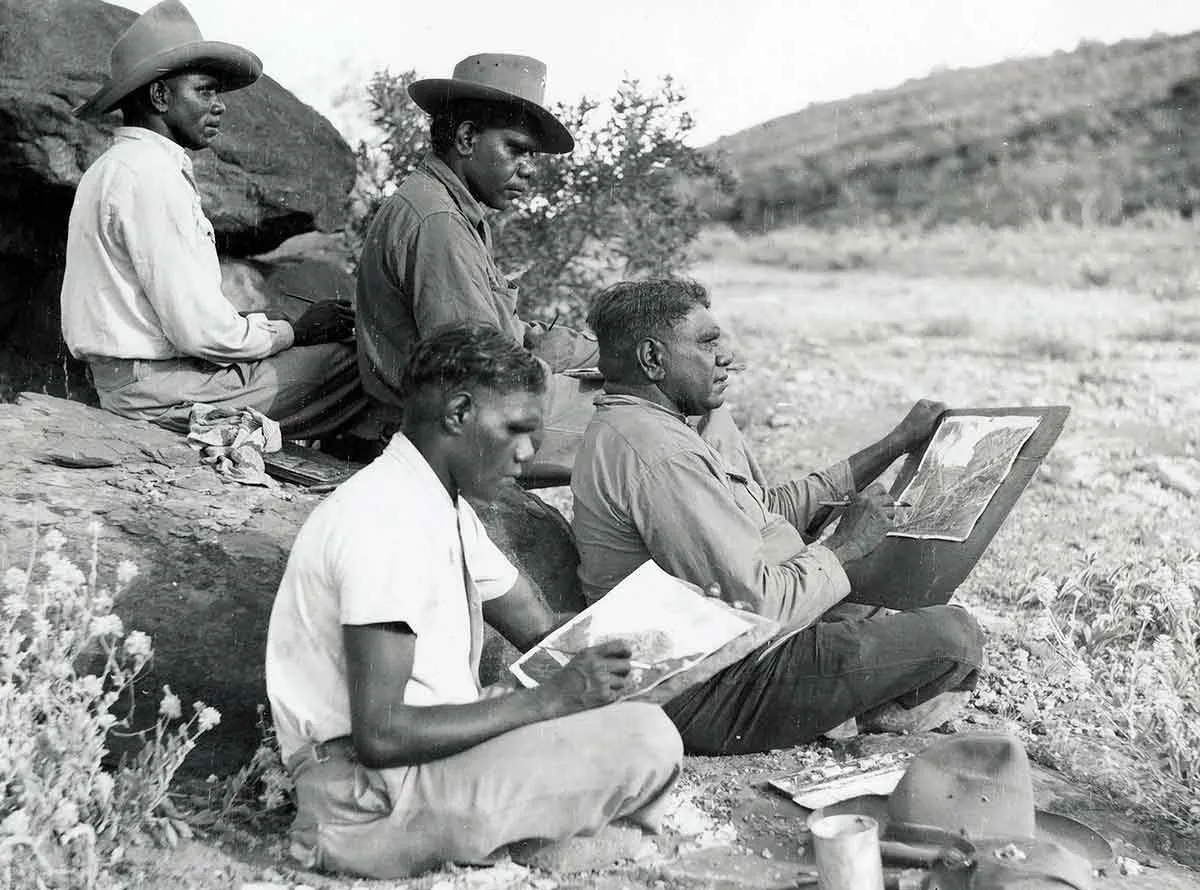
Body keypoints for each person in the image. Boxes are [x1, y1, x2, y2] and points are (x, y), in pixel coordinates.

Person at [265, 323, 682, 879]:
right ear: (458, 413)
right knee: (647, 740)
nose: (528, 453)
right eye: (515, 430)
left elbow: (542, 630)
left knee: (632, 716)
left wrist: (673, 633)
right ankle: (469, 843)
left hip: (419, 766)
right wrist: (550, 702)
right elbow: (381, 734)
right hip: (367, 797)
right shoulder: (384, 523)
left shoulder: (442, 507)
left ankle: (524, 834)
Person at [571, 278, 985, 755]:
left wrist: (894, 445)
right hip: (706, 685)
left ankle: (850, 698)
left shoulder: (651, 427)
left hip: (722, 649)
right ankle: (856, 716)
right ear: (652, 358)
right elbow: (758, 607)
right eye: (707, 343)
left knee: (890, 604)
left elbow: (768, 512)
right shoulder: (659, 454)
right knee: (954, 637)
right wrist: (844, 547)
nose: (724, 357)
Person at [355, 53, 757, 483]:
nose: (528, 170)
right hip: (463, 422)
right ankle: (767, 536)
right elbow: (475, 370)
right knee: (686, 409)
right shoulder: (438, 222)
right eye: (515, 149)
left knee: (664, 389)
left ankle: (751, 529)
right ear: (468, 138)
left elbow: (499, 334)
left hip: (472, 403)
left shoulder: (444, 206)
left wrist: (608, 353)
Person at [62, 0, 365, 440]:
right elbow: (199, 332)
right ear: (160, 96)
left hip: (137, 382)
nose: (219, 106)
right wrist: (293, 331)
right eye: (205, 91)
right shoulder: (149, 177)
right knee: (358, 364)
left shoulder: (119, 166)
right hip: (160, 394)